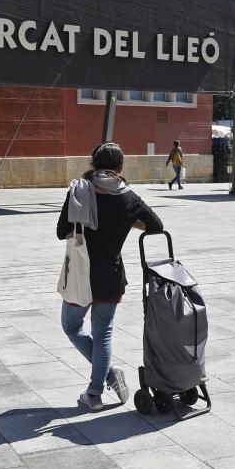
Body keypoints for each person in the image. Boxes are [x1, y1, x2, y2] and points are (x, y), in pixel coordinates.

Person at [57, 143, 163, 411]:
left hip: (81, 275)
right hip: (111, 277)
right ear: (120, 166)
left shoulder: (80, 190)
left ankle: (106, 379)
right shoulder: (128, 197)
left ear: (93, 162)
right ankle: (95, 393)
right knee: (102, 334)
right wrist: (127, 221)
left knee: (72, 327)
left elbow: (62, 231)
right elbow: (156, 226)